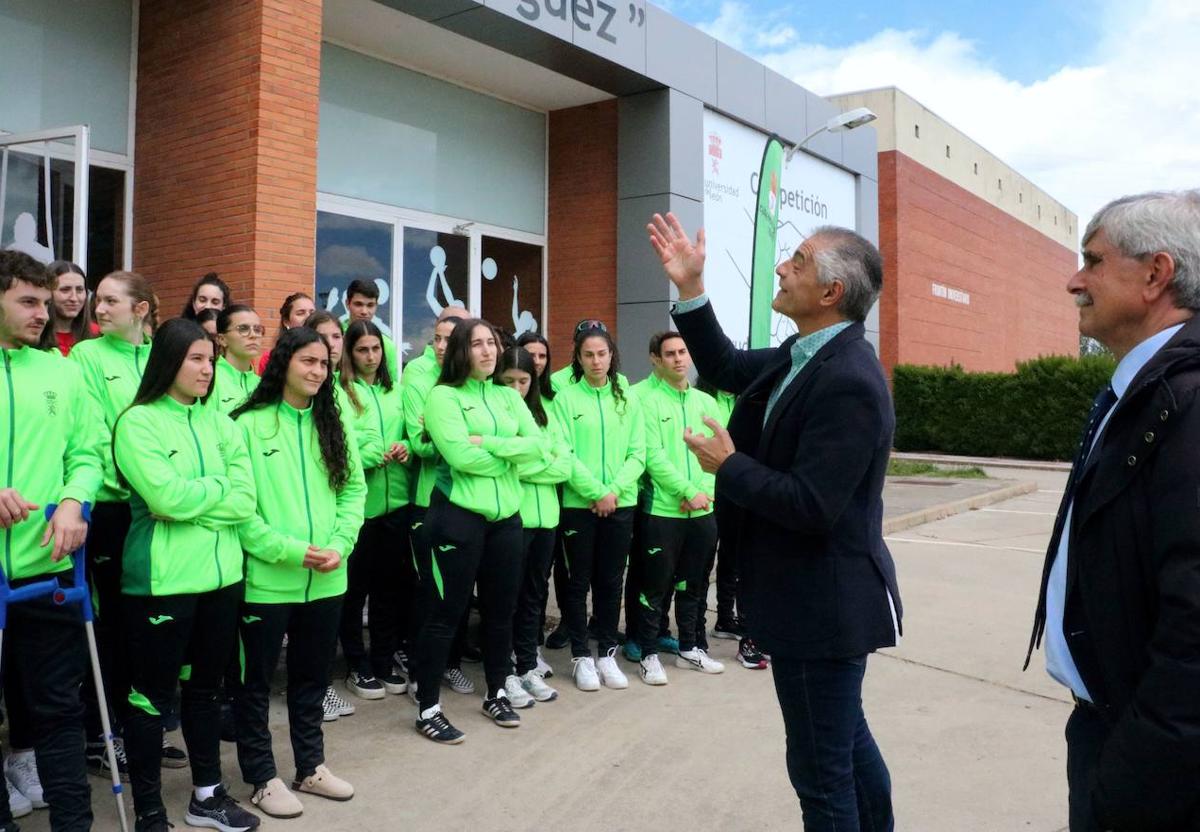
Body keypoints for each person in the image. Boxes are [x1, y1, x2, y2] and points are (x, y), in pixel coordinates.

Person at [648, 212, 900, 831]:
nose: (783, 267)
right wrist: (691, 289)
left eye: (799, 261)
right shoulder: (804, 352)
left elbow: (813, 506)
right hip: (806, 602)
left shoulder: (848, 380)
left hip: (823, 606)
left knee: (821, 774)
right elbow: (729, 367)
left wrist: (727, 467)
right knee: (844, 745)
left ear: (831, 293)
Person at [1022, 190, 1200, 832]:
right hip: (1112, 726)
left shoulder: (1187, 401)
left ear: (1155, 275)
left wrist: (1132, 779)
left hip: (1147, 761)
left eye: (1092, 261)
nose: (1075, 279)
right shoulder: (1144, 389)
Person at [112, 318, 259, 832]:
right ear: (168, 361)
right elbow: (163, 499)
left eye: (210, 359)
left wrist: (195, 499)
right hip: (162, 584)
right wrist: (214, 494)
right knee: (151, 697)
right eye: (195, 358)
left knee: (205, 693)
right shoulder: (138, 423)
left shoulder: (223, 423)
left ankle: (207, 796)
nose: (206, 367)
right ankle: (150, 810)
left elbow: (246, 500)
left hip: (221, 582)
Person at [230, 327, 366, 819]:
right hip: (269, 581)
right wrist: (290, 551)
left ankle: (310, 766)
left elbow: (354, 491)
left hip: (329, 576)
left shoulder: (335, 422)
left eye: (324, 364)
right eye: (307, 361)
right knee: (255, 684)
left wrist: (339, 545)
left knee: (311, 678)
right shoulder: (247, 424)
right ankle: (262, 777)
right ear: (283, 363)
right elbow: (242, 511)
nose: (316, 371)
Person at [0, 251, 104, 832]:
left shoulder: (62, 372)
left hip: (47, 572)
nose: (43, 313)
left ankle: (74, 824)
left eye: (47, 302)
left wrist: (72, 502)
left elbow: (86, 453)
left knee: (60, 710)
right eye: (28, 301)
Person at [412, 319, 546, 742]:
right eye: (477, 344)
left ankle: (496, 691)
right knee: (444, 615)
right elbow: (458, 457)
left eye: (491, 343)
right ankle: (428, 707)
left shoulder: (508, 395)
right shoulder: (442, 396)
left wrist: (485, 444)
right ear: (459, 351)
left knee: (499, 613)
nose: (488, 351)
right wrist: (509, 455)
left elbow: (539, 446)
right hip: (458, 518)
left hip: (506, 520)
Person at [70, 270, 158, 777]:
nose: (97, 308)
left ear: (141, 308)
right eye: (96, 300)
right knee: (112, 625)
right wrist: (134, 480)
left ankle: (135, 727)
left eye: (109, 301)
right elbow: (93, 431)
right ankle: (102, 734)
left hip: (157, 508)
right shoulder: (86, 356)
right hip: (112, 506)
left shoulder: (157, 356)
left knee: (145, 620)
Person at [630, 331, 725, 685]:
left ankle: (690, 649)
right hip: (663, 512)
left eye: (683, 352)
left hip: (702, 510)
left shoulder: (706, 403)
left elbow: (720, 452)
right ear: (656, 359)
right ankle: (649, 653)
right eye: (670, 354)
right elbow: (652, 457)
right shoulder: (648, 402)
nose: (678, 359)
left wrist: (703, 493)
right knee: (655, 585)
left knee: (694, 584)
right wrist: (686, 489)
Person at [553, 328, 645, 692]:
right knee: (577, 584)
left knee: (610, 582)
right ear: (578, 358)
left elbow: (638, 452)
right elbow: (564, 454)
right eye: (588, 355)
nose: (595, 361)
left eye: (601, 354)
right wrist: (595, 491)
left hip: (620, 504)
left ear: (611, 356)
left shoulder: (626, 398)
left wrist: (613, 491)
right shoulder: (566, 399)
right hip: (579, 505)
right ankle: (580, 656)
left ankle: (606, 654)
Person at [401, 307, 474, 699]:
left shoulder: (473, 375)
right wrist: (457, 441)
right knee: (429, 591)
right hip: (428, 500)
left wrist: (462, 440)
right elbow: (418, 440)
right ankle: (419, 671)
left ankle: (452, 664)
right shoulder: (418, 374)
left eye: (453, 337)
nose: (444, 345)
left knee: (460, 591)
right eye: (439, 337)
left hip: (467, 501)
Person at [336, 320, 410, 700]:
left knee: (388, 591)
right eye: (362, 349)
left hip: (396, 505)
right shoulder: (339, 391)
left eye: (376, 349)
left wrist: (404, 447)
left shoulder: (395, 391)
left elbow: (412, 434)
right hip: (359, 511)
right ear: (350, 353)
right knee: (355, 592)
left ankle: (383, 659)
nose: (370, 356)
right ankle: (356, 664)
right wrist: (368, 456)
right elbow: (339, 444)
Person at [495, 347, 571, 701]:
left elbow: (565, 464)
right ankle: (506, 671)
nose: (516, 388)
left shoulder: (545, 413)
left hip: (548, 520)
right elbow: (510, 465)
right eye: (508, 381)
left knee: (534, 597)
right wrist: (542, 464)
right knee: (507, 596)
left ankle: (527, 664)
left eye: (523, 380)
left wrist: (534, 465)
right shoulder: (497, 414)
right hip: (515, 518)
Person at [210, 305, 263, 414]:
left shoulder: (262, 384)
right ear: (222, 339)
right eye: (243, 329)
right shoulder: (209, 378)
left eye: (257, 329)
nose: (253, 335)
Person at [342, 279, 398, 380]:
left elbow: (392, 385)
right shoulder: (334, 337)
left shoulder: (386, 345)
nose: (364, 311)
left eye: (370, 305)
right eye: (358, 304)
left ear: (376, 306)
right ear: (347, 304)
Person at [42, 261, 97, 356]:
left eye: (79, 290)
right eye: (65, 290)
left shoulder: (97, 334)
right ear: (47, 293)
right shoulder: (34, 334)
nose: (74, 298)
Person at [257, 293, 315, 375]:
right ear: (286, 321)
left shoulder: (329, 352)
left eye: (312, 313)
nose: (308, 317)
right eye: (300, 313)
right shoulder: (270, 358)